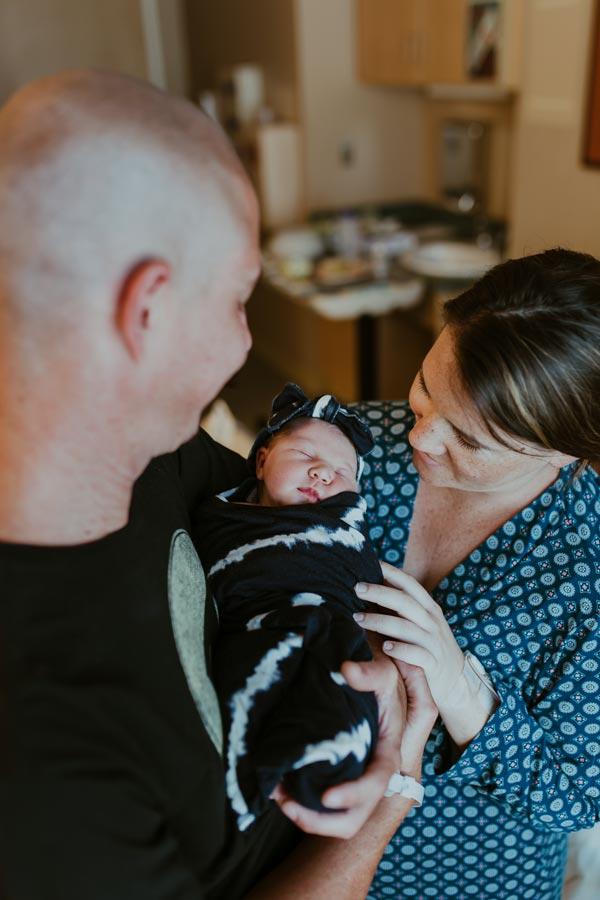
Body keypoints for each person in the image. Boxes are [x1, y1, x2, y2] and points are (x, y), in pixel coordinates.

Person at [0, 70, 436, 900]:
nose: (244, 344)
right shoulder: (42, 779)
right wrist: (395, 784)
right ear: (148, 311)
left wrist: (357, 655)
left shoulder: (150, 445)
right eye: (241, 298)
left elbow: (298, 535)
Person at [350, 248, 600, 900]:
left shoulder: (586, 563)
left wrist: (464, 693)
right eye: (427, 388)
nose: (421, 437)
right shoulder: (353, 448)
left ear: (563, 447)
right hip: (309, 840)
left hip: (473, 873)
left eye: (471, 440)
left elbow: (576, 800)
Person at [195, 383, 397, 832]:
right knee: (252, 684)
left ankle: (321, 767)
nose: (324, 473)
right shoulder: (221, 511)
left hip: (324, 619)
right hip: (253, 620)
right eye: (305, 455)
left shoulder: (339, 525)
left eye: (342, 472)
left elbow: (358, 581)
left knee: (334, 684)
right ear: (262, 459)